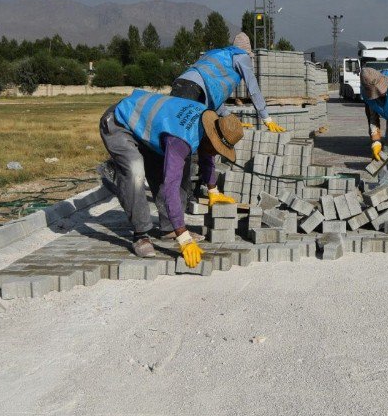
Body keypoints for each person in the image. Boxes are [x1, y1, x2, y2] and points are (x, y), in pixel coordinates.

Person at [99, 90, 243, 264]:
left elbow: (207, 155)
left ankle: (169, 228)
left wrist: (213, 189)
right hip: (119, 121)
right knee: (135, 171)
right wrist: (184, 237)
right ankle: (140, 234)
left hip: (151, 129)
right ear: (210, 136)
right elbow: (170, 187)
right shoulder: (180, 139)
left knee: (179, 171)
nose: (215, 153)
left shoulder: (207, 125)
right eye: (216, 148)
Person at [170, 31, 285, 206]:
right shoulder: (241, 56)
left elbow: (212, 95)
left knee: (185, 140)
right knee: (189, 144)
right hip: (193, 92)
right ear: (247, 52)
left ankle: (200, 191)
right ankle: (183, 197)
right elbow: (253, 88)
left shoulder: (217, 55)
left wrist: (229, 117)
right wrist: (266, 117)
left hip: (181, 86)